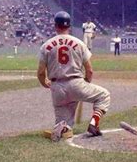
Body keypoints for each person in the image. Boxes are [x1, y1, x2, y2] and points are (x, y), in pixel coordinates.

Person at [37, 11, 110, 142]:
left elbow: (41, 73)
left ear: (55, 26)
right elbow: (89, 70)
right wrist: (86, 82)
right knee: (103, 96)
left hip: (57, 87)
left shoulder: (46, 45)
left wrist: (46, 83)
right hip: (76, 83)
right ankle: (94, 122)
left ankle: (63, 126)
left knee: (65, 123)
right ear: (69, 26)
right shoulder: (79, 43)